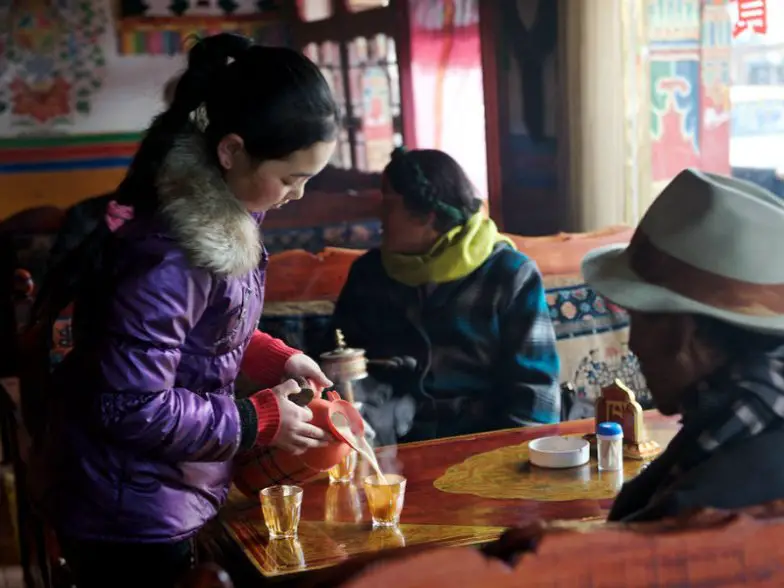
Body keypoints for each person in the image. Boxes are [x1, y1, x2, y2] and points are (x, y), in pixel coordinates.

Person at [29, 33, 339, 587]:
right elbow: (132, 404)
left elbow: (200, 333)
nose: (297, 194)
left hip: (161, 486)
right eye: (291, 178)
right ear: (231, 151)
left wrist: (277, 358)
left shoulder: (225, 211)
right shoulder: (172, 253)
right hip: (127, 509)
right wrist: (256, 419)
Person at [582, 169, 784, 522]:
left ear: (682, 331)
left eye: (639, 319)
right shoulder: (747, 415)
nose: (634, 344)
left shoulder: (700, 505)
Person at [330, 147, 560, 444]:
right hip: (392, 444)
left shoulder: (509, 274)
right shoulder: (369, 275)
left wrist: (511, 459)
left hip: (485, 443)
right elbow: (337, 363)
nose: (379, 215)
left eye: (389, 205)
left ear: (427, 216)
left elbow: (536, 393)